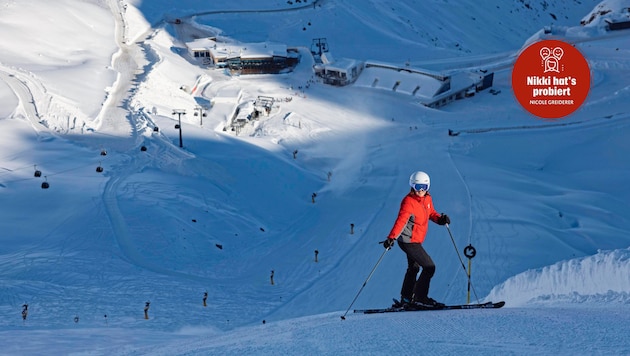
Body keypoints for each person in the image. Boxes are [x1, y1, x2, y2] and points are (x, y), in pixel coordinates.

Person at [382, 171, 450, 307]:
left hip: (416, 240)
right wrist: (391, 238)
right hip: (409, 242)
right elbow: (400, 221)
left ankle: (406, 299)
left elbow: (431, 213)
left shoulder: (427, 199)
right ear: (412, 186)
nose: (421, 190)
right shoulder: (408, 202)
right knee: (429, 267)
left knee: (413, 268)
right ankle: (420, 298)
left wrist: (440, 219)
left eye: (424, 187)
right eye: (418, 187)